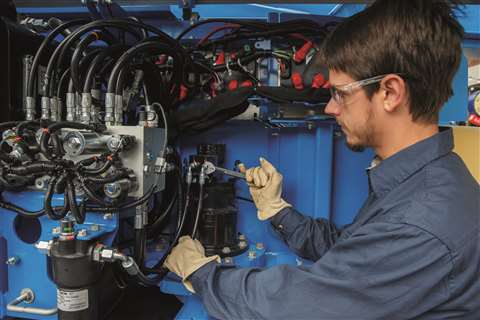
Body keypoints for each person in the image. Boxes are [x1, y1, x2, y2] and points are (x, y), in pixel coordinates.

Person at [164, 0, 480, 319]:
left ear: (390, 93)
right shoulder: (422, 182)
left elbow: (298, 309)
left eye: (340, 93)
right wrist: (278, 211)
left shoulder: (421, 220)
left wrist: (202, 274)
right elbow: (352, 250)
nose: (330, 108)